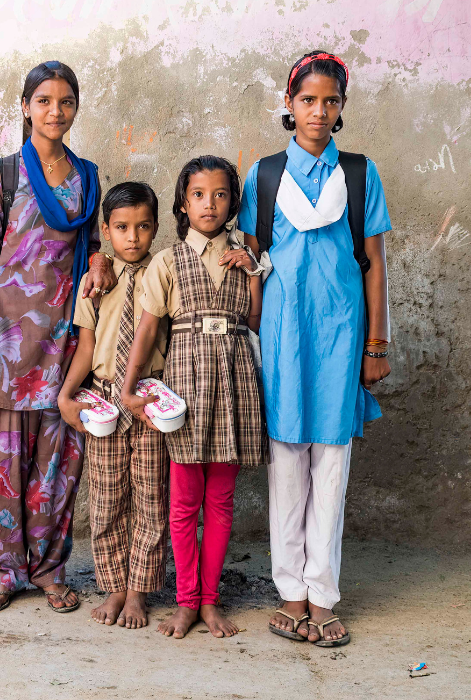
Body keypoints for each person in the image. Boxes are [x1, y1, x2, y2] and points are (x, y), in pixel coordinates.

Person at [231, 51, 392, 647]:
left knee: (332, 463)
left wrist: (377, 341)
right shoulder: (266, 176)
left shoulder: (357, 174)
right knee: (286, 465)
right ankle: (289, 590)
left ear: (342, 107)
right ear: (289, 104)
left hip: (341, 333)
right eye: (307, 101)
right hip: (281, 335)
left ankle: (322, 593)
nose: (318, 112)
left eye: (330, 102)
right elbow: (253, 262)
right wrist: (251, 333)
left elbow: (373, 264)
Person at [0, 61, 115, 613]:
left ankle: (50, 569)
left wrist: (98, 263)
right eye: (44, 100)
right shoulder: (1, 175)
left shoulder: (86, 177)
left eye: (66, 101)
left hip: (68, 338)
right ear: (25, 107)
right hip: (7, 340)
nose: (56, 110)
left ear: (76, 108)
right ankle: (8, 571)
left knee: (59, 459)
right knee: (4, 461)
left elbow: (94, 242)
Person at [120, 156, 266, 639]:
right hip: (184, 384)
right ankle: (185, 600)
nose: (210, 204)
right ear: (184, 202)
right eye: (199, 195)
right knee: (183, 502)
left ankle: (209, 601)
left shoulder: (248, 252)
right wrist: (129, 385)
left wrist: (253, 272)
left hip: (235, 379)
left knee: (221, 499)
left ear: (233, 202)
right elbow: (147, 330)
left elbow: (256, 322)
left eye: (221, 194)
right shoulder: (167, 261)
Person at [57, 182, 169, 629]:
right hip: (103, 399)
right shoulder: (96, 284)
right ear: (106, 230)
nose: (133, 237)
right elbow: (85, 348)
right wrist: (66, 394)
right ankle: (114, 586)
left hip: (148, 400)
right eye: (122, 227)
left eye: (143, 227)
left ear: (156, 229)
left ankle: (139, 592)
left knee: (150, 499)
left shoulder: (164, 273)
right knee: (106, 500)